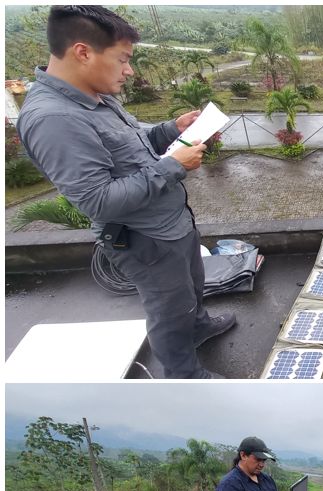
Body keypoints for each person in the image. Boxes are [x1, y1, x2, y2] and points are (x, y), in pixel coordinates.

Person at [17, 6, 235, 379]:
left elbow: (133, 143)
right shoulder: (54, 119)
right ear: (83, 52)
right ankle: (183, 376)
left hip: (171, 223)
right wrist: (173, 166)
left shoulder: (93, 95)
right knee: (169, 308)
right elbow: (97, 199)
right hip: (145, 239)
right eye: (123, 59)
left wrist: (171, 129)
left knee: (192, 287)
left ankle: (198, 327)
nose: (129, 70)